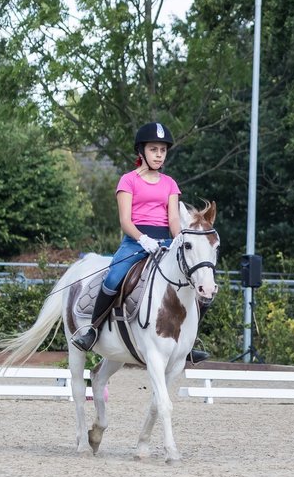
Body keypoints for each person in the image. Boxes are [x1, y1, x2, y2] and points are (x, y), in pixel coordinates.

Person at [72, 122, 209, 363]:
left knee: (196, 283)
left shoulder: (170, 184)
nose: (159, 155)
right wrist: (142, 239)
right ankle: (92, 330)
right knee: (114, 278)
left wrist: (177, 241)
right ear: (141, 152)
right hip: (135, 242)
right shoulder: (128, 181)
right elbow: (125, 220)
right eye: (154, 149)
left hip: (166, 242)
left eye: (162, 150)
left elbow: (174, 220)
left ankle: (188, 343)